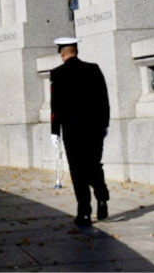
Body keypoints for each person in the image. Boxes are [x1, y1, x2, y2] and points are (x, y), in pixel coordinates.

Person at [50, 36, 110, 227]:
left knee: (77, 170)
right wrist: (104, 125)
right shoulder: (93, 69)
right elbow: (104, 100)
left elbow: (55, 106)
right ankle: (102, 197)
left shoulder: (57, 74)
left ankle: (84, 212)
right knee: (94, 165)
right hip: (94, 129)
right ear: (76, 50)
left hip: (71, 130)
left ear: (62, 53)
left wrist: (54, 131)